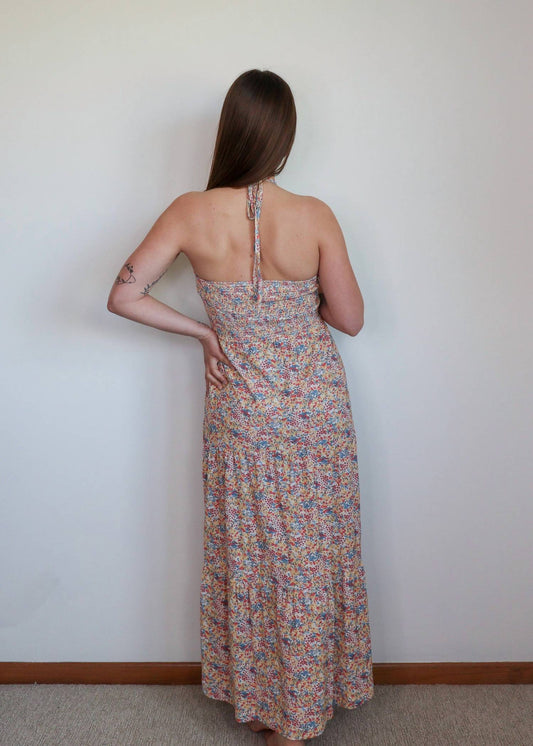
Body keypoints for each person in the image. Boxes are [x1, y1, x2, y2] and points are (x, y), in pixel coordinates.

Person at [107, 68, 373, 745]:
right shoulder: (314, 215)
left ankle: (260, 703)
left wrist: (205, 331)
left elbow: (124, 295)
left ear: (230, 130)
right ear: (284, 136)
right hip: (314, 409)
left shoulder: (189, 212)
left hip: (239, 409)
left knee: (248, 551)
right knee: (311, 554)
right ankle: (299, 714)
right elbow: (349, 318)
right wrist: (298, 302)